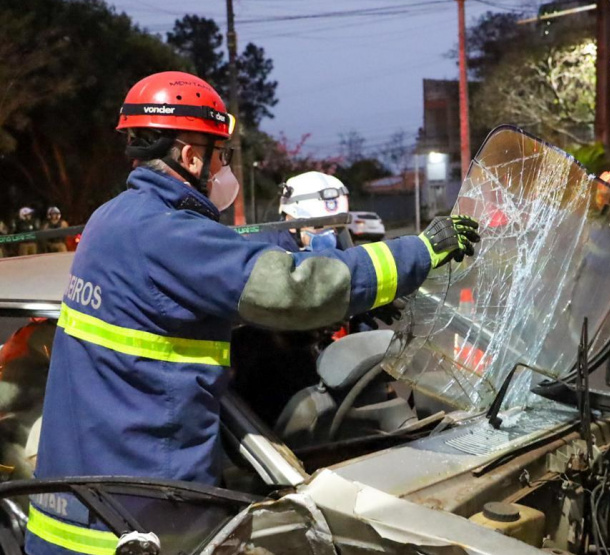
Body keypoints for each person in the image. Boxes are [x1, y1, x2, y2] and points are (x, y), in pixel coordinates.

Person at [26, 71, 480, 555]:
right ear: (190, 155)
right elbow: (297, 290)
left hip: (78, 507)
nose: (224, 167)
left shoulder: (112, 220)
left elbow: (175, 306)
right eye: (220, 153)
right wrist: (423, 250)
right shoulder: (171, 234)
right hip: (139, 522)